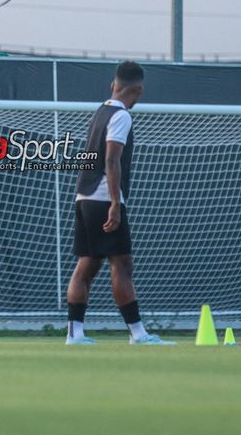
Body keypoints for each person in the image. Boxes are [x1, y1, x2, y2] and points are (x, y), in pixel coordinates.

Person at [66, 61, 174, 346]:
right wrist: (115, 203)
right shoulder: (122, 115)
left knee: (87, 264)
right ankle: (138, 334)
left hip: (84, 196)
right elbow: (111, 160)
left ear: (113, 85)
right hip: (104, 197)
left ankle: (74, 334)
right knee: (122, 264)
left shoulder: (101, 110)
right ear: (138, 90)